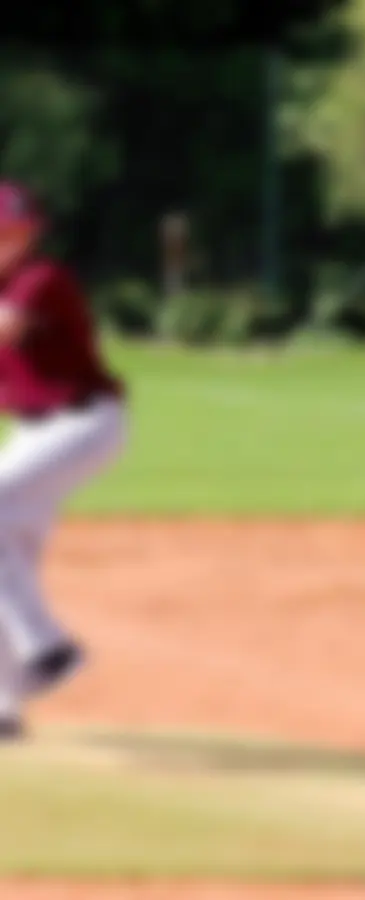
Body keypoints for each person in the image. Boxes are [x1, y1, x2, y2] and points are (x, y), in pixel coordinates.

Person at [0, 180, 129, 739]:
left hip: (85, 422)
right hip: (37, 432)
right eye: (8, 229)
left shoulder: (40, 280)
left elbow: (6, 329)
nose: (16, 238)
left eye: (22, 230)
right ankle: (6, 703)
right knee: (13, 552)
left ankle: (48, 647)